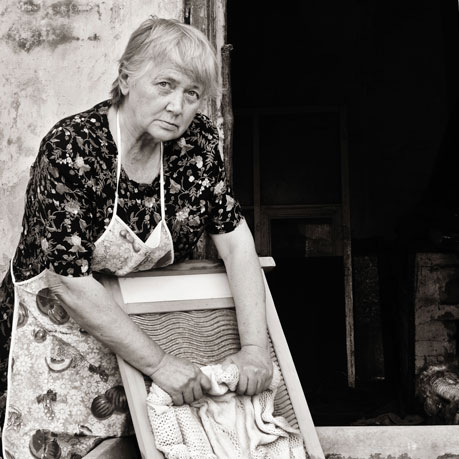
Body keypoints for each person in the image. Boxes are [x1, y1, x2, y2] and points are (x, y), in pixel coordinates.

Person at [0, 17, 273, 458]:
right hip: (58, 347)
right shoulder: (73, 148)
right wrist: (161, 365)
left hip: (143, 351)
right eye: (164, 84)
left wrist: (255, 351)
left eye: (192, 94)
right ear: (126, 78)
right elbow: (68, 280)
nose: (177, 106)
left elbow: (235, 240)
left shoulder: (197, 145)